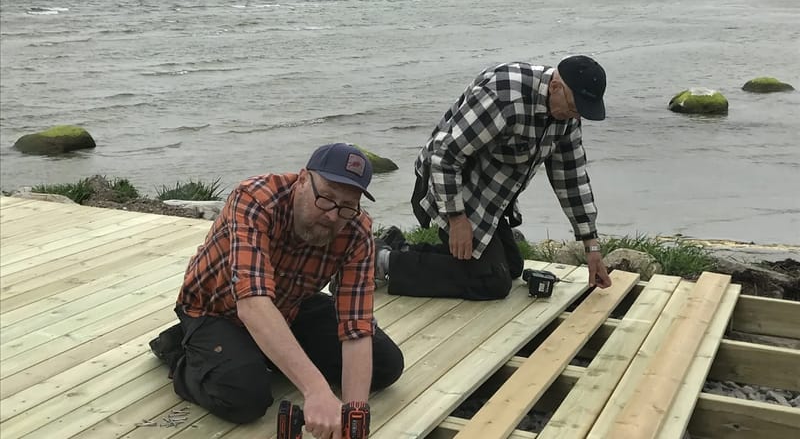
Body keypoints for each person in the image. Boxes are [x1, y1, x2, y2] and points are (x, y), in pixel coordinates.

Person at [148, 143, 404, 437]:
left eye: (347, 206)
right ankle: (180, 351)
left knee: (385, 365)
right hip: (215, 308)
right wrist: (316, 389)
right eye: (327, 199)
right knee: (244, 397)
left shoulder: (356, 230)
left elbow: (356, 327)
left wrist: (352, 416)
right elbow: (252, 304)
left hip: (288, 304)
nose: (333, 216)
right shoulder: (255, 199)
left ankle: (268, 351)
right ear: (304, 179)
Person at [375, 55, 613, 300]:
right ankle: (383, 262)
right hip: (446, 184)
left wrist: (591, 246)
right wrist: (457, 219)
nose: (576, 117)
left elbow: (571, 178)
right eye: (575, 108)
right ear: (555, 87)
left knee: (510, 268)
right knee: (491, 281)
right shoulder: (505, 98)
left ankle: (399, 247)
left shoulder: (566, 115)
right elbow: (444, 155)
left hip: (487, 193)